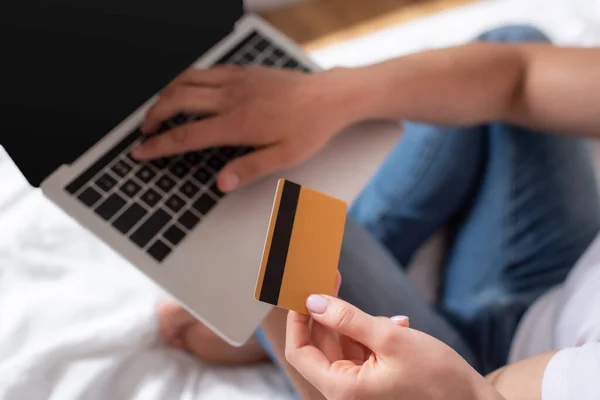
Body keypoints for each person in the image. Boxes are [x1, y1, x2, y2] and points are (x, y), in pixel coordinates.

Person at [138, 25, 600, 399]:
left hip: (472, 379)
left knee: (259, 210)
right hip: (563, 288)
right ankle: (350, 270)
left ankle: (302, 315)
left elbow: (490, 389)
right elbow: (519, 75)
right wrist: (327, 95)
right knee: (513, 41)